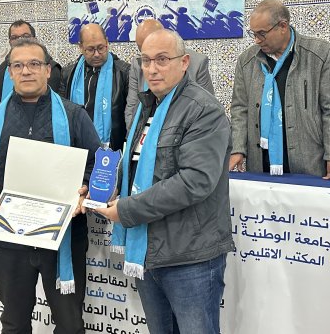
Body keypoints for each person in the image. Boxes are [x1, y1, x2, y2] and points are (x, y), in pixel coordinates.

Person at [0, 38, 100, 334]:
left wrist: (86, 188)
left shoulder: (74, 115)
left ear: (47, 70)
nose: (26, 71)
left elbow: (99, 166)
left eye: (34, 64)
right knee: (14, 322)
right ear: (9, 73)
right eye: (18, 65)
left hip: (63, 238)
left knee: (70, 325)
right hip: (9, 240)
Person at [95, 29, 234, 334]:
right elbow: (137, 166)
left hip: (189, 256)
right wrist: (107, 189)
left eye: (162, 59)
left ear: (184, 63)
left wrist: (128, 210)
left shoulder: (203, 110)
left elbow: (195, 181)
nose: (152, 69)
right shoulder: (147, 106)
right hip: (149, 250)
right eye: (146, 61)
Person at [229, 0, 330, 182]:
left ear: (283, 26)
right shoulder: (247, 61)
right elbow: (240, 109)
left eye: (262, 34)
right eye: (253, 34)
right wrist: (237, 149)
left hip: (309, 163)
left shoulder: (320, 54)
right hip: (261, 164)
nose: (257, 40)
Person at [125, 19, 215, 129]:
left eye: (161, 58)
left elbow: (206, 108)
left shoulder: (197, 63)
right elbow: (131, 107)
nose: (152, 69)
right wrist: (135, 135)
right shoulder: (137, 63)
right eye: (145, 56)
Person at [60, 23, 130, 151]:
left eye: (101, 48)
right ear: (81, 47)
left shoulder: (124, 73)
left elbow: (131, 116)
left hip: (114, 149)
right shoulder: (68, 74)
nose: (97, 54)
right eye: (91, 49)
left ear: (107, 42)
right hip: (77, 149)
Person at [0, 20, 63, 110]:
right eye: (14, 38)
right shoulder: (3, 68)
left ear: (34, 39)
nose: (20, 40)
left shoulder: (51, 67)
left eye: (25, 36)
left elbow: (52, 101)